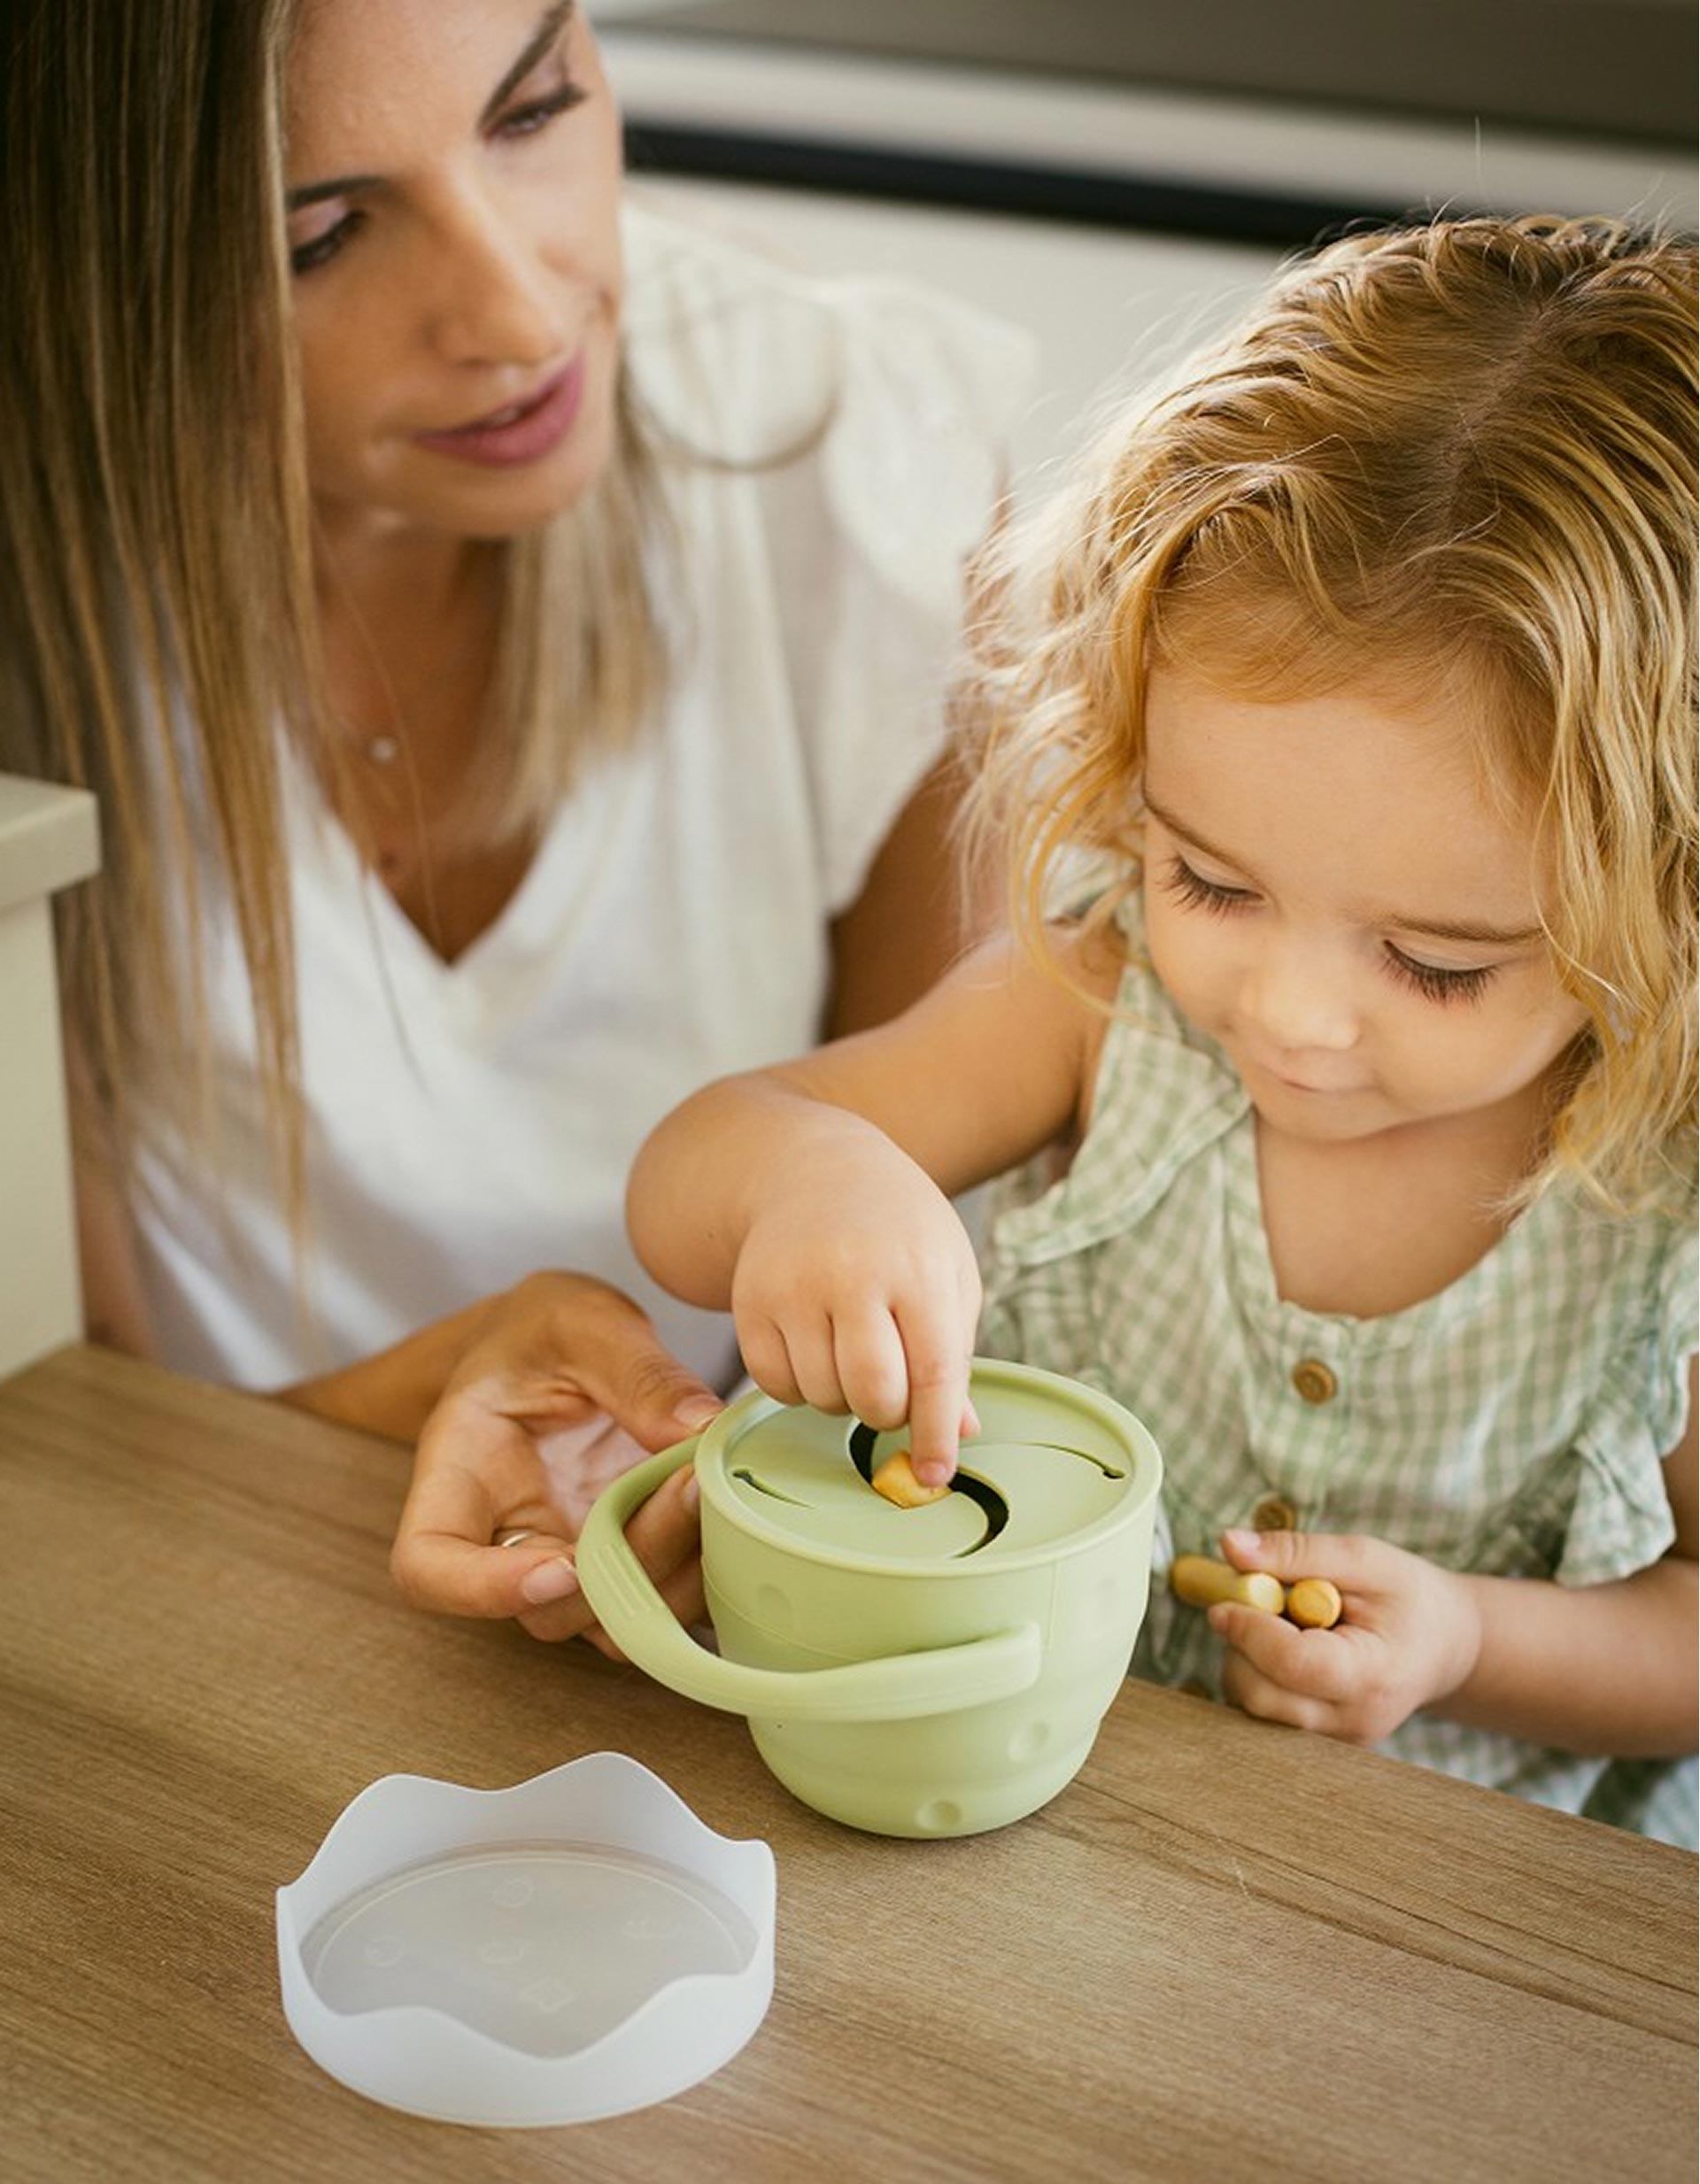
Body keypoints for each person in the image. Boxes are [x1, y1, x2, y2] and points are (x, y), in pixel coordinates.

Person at [628, 214, 1699, 1842]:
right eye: (1212, 877)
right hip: (1049, 1826)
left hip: (1466, 1927)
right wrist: (807, 1181)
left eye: (1434, 964)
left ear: (1664, 908)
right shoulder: (1098, 999)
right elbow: (687, 1173)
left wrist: (1473, 1642)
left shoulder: (1663, 1197)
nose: (1290, 1013)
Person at [0, 2, 1026, 1646]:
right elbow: (59, 1447)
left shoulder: (847, 463)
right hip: (188, 1637)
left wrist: (701, 1479)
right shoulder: (46, 640)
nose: (518, 303)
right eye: (321, 231)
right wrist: (426, 1399)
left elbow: (950, 1252)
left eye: (536, 108)